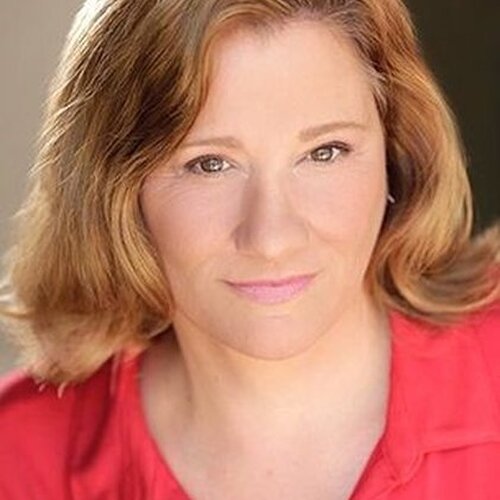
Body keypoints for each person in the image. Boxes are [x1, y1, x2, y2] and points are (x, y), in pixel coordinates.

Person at [0, 0, 499, 498]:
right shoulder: (19, 460)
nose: (271, 239)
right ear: (114, 191)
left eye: (324, 152)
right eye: (209, 164)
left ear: (397, 153)